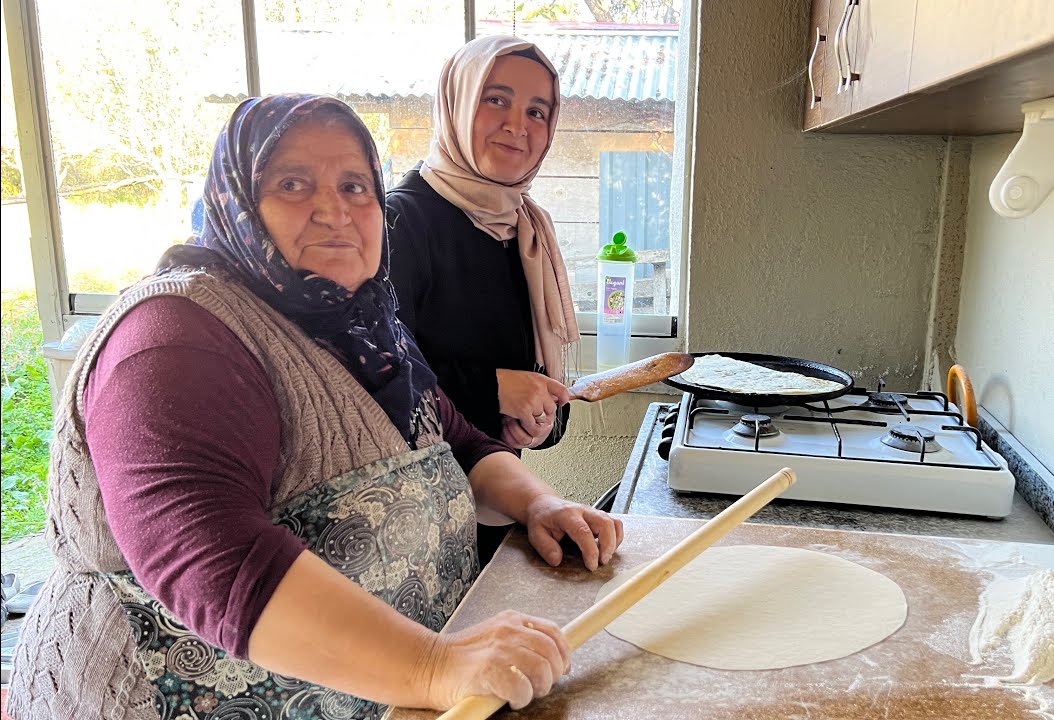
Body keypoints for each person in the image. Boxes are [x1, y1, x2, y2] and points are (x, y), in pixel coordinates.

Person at [5, 94, 622, 720]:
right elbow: (209, 558)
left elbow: (456, 441)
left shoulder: (364, 324)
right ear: (239, 200)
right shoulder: (172, 335)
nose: (334, 210)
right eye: (293, 183)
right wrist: (434, 667)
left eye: (356, 186)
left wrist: (538, 502)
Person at [386, 36, 578, 456]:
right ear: (457, 102)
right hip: (412, 503)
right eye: (495, 100)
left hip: (496, 499)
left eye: (536, 111)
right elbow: (377, 369)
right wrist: (495, 390)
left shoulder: (526, 231)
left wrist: (535, 421)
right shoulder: (399, 221)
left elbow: (539, 376)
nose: (517, 125)